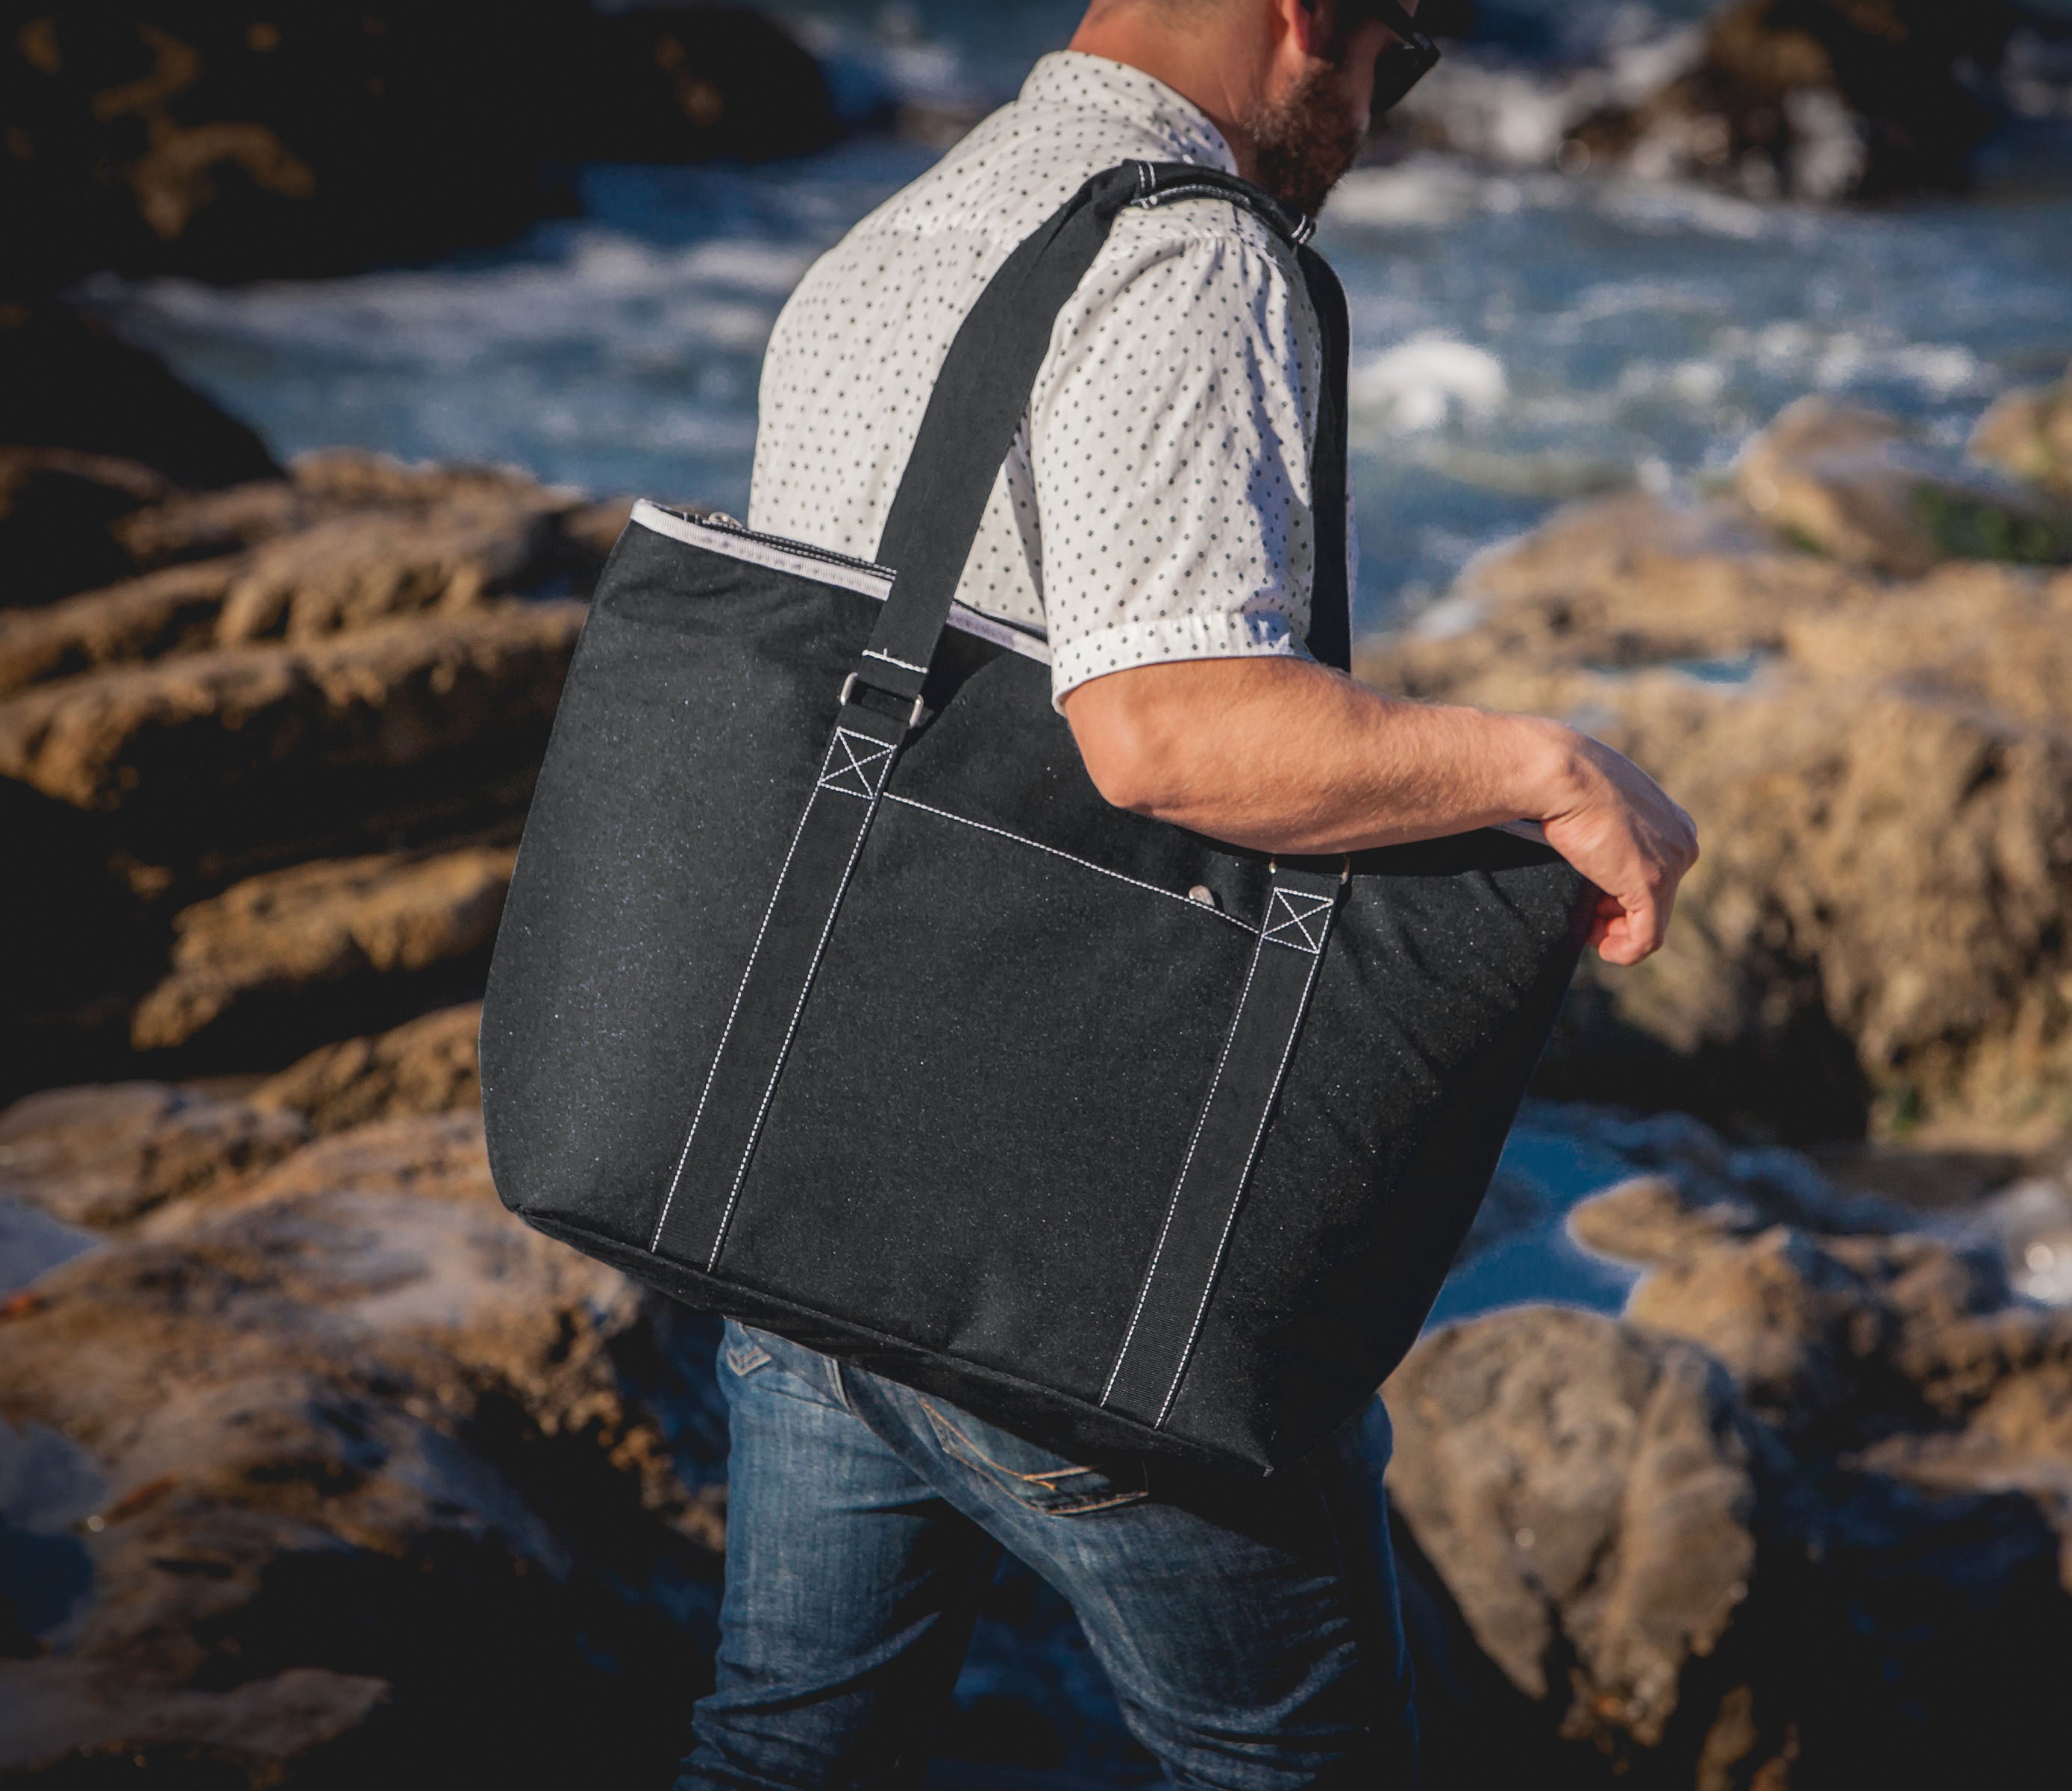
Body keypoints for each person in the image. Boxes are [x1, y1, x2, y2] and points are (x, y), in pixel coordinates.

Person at [681, 2, 1698, 1785]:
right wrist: (1543, 767)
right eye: (1408, 44)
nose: (1386, 107)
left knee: (785, 1751)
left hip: (803, 1203)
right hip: (1074, 1246)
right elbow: (1165, 730)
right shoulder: (1183, 251)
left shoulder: (893, 237)